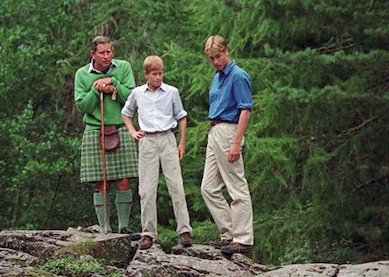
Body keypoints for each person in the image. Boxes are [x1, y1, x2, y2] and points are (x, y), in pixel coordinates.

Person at [121, 55, 192, 251]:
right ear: (146, 75)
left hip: (167, 138)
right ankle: (148, 233)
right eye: (154, 74)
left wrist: (181, 142)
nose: (158, 77)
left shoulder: (171, 92)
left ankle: (184, 230)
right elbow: (126, 113)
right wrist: (133, 131)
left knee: (176, 185)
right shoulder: (138, 93)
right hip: (148, 140)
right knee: (146, 189)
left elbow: (181, 116)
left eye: (160, 73)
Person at [73, 36, 137, 235]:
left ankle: (124, 227)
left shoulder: (123, 67)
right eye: (102, 53)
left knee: (124, 180)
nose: (107, 56)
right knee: (102, 182)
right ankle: (104, 229)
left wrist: (113, 82)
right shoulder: (82, 75)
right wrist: (96, 88)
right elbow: (82, 106)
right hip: (94, 129)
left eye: (109, 52)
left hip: (121, 127)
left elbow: (132, 97)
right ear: (93, 54)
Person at [201, 35, 254, 256]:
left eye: (218, 56)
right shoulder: (217, 77)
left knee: (236, 185)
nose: (215, 61)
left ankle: (243, 238)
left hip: (230, 129)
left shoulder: (238, 76)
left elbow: (245, 109)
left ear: (226, 52)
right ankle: (228, 232)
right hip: (215, 128)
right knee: (208, 187)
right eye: (212, 58)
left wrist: (236, 142)